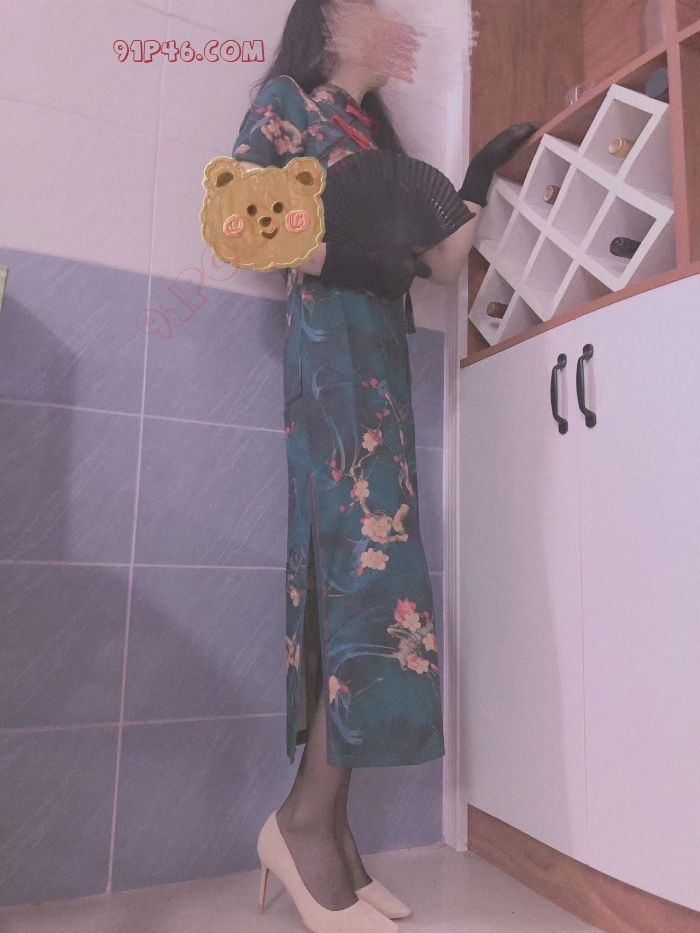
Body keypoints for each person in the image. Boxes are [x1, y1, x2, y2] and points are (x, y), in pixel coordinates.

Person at [230, 1, 538, 929]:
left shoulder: (374, 138)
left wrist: (477, 176)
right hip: (331, 367)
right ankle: (304, 823)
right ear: (329, 22)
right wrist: (359, 264)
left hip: (382, 375)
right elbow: (247, 224)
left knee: (373, 584)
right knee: (363, 585)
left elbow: (440, 265)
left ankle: (328, 829)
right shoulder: (289, 106)